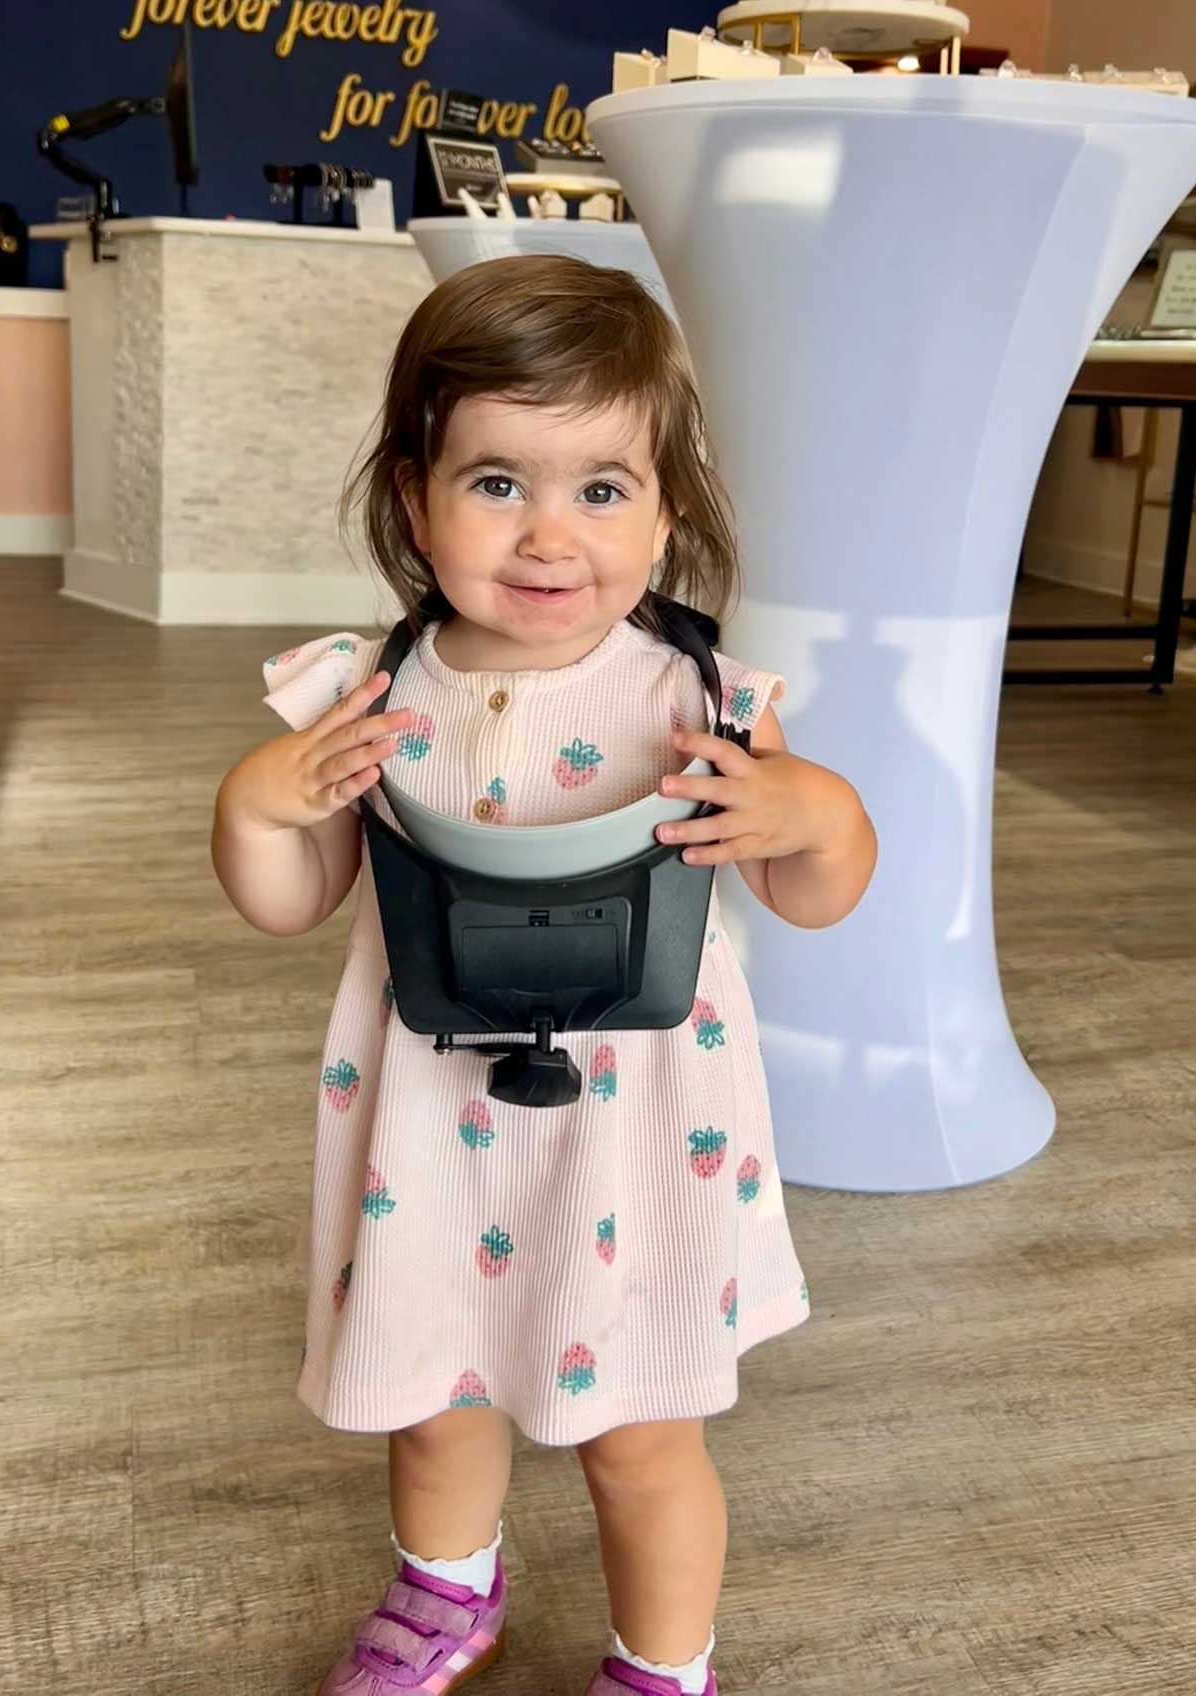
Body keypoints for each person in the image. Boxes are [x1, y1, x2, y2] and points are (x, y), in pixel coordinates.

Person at [212, 257, 877, 1696]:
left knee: (642, 1436)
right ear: (416, 501)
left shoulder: (702, 701)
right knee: (435, 1397)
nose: (548, 534)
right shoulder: (370, 695)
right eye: (497, 481)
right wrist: (261, 807)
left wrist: (814, 813)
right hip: (431, 1133)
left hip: (642, 1140)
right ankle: (448, 1589)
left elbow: (820, 895)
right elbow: (292, 900)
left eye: (602, 487)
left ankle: (665, 1664)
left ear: (668, 511)